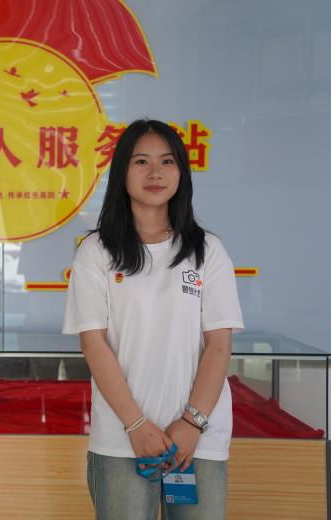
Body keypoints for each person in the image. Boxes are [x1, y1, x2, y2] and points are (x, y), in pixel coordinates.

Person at [62, 119, 243, 519]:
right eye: (141, 161)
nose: (155, 172)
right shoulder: (96, 251)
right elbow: (93, 344)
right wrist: (136, 425)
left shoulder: (208, 250)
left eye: (167, 161)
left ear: (181, 171)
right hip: (122, 439)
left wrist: (192, 424)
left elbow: (218, 345)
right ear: (122, 172)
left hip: (198, 440)